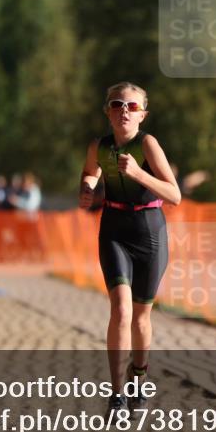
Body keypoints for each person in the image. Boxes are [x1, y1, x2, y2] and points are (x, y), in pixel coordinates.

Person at [79, 82, 181, 413]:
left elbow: (174, 195)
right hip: (114, 230)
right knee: (121, 310)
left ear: (142, 115)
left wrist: (138, 173)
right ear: (107, 112)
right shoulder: (99, 146)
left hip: (150, 232)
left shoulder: (147, 144)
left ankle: (139, 375)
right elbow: (90, 173)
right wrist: (87, 187)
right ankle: (117, 394)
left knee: (140, 317)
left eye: (132, 106)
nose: (124, 110)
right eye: (117, 104)